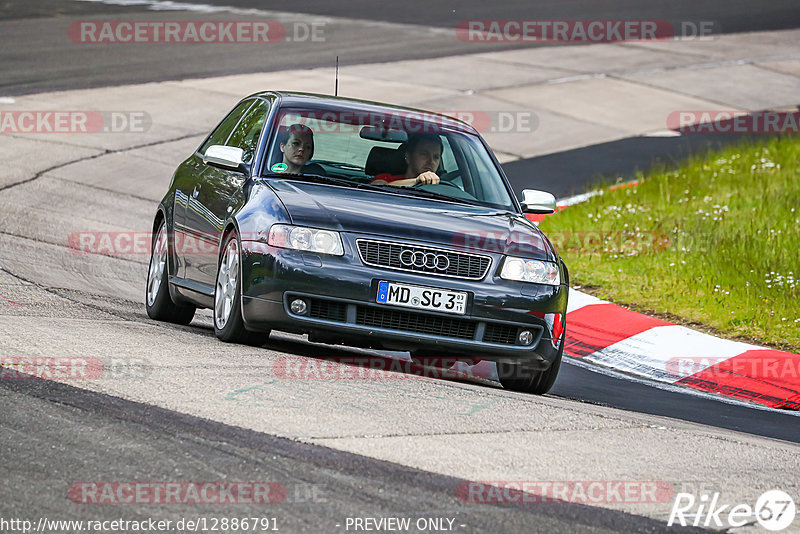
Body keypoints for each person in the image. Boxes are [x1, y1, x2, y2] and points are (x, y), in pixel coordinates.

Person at [370, 133, 442, 186]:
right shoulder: (386, 178)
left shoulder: (443, 187)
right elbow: (377, 187)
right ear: (408, 157)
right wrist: (417, 181)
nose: (431, 161)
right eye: (424, 154)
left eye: (436, 157)